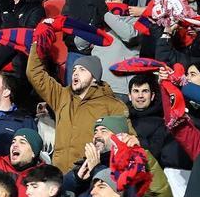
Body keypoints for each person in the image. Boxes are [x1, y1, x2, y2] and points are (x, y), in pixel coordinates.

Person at [26, 33, 128, 171]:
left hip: (90, 174)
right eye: (74, 69)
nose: (75, 73)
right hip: (60, 174)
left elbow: (127, 140)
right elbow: (35, 73)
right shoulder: (61, 96)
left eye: (82, 70)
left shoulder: (112, 105)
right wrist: (39, 42)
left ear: (94, 78)